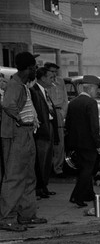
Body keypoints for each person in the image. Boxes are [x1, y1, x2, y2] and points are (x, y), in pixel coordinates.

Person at [0, 52, 47, 232]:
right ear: (28, 68)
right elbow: (7, 104)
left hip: (26, 133)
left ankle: (27, 215)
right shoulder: (15, 85)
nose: (36, 69)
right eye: (34, 66)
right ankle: (7, 218)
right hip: (17, 134)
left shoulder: (22, 84)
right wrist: (19, 118)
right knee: (14, 178)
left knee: (28, 177)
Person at [65, 75, 100, 208]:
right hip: (89, 144)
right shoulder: (91, 103)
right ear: (91, 88)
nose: (97, 92)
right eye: (97, 88)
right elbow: (94, 127)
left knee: (83, 169)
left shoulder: (73, 102)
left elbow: (68, 124)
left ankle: (89, 194)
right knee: (87, 171)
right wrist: (98, 145)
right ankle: (77, 196)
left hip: (76, 143)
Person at [30, 66, 59, 199]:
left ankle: (44, 186)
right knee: (41, 161)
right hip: (42, 131)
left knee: (47, 160)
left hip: (50, 128)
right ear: (42, 78)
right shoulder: (34, 91)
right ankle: (39, 188)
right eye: (50, 77)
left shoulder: (45, 92)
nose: (53, 79)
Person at [44, 62, 69, 177]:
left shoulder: (60, 81)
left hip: (58, 112)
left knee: (60, 142)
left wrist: (63, 113)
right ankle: (47, 167)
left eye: (55, 72)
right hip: (47, 112)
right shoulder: (44, 81)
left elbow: (65, 98)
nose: (54, 74)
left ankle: (58, 168)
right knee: (48, 141)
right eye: (51, 71)